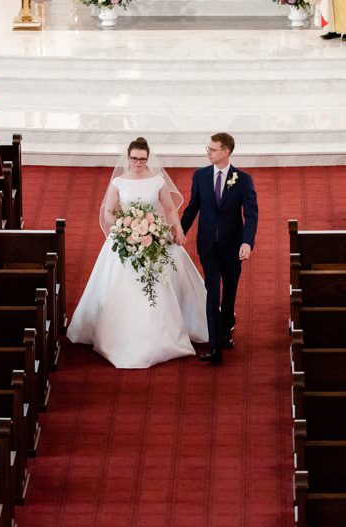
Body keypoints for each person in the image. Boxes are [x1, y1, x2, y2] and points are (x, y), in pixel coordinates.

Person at [67, 137, 208, 369]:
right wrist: (127, 225)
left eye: (142, 159)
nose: (138, 163)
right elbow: (109, 214)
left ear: (148, 158)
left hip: (155, 236)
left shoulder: (157, 181)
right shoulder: (119, 182)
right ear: (128, 157)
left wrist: (178, 230)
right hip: (126, 238)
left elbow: (171, 209)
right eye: (134, 158)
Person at [181, 133, 258, 365]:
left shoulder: (243, 179)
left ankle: (225, 332)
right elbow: (193, 207)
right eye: (208, 148)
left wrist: (247, 242)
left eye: (213, 149)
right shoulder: (201, 175)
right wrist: (180, 231)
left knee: (230, 292)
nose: (208, 152)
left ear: (226, 152)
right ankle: (215, 346)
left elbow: (251, 214)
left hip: (233, 247)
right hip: (208, 247)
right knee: (212, 293)